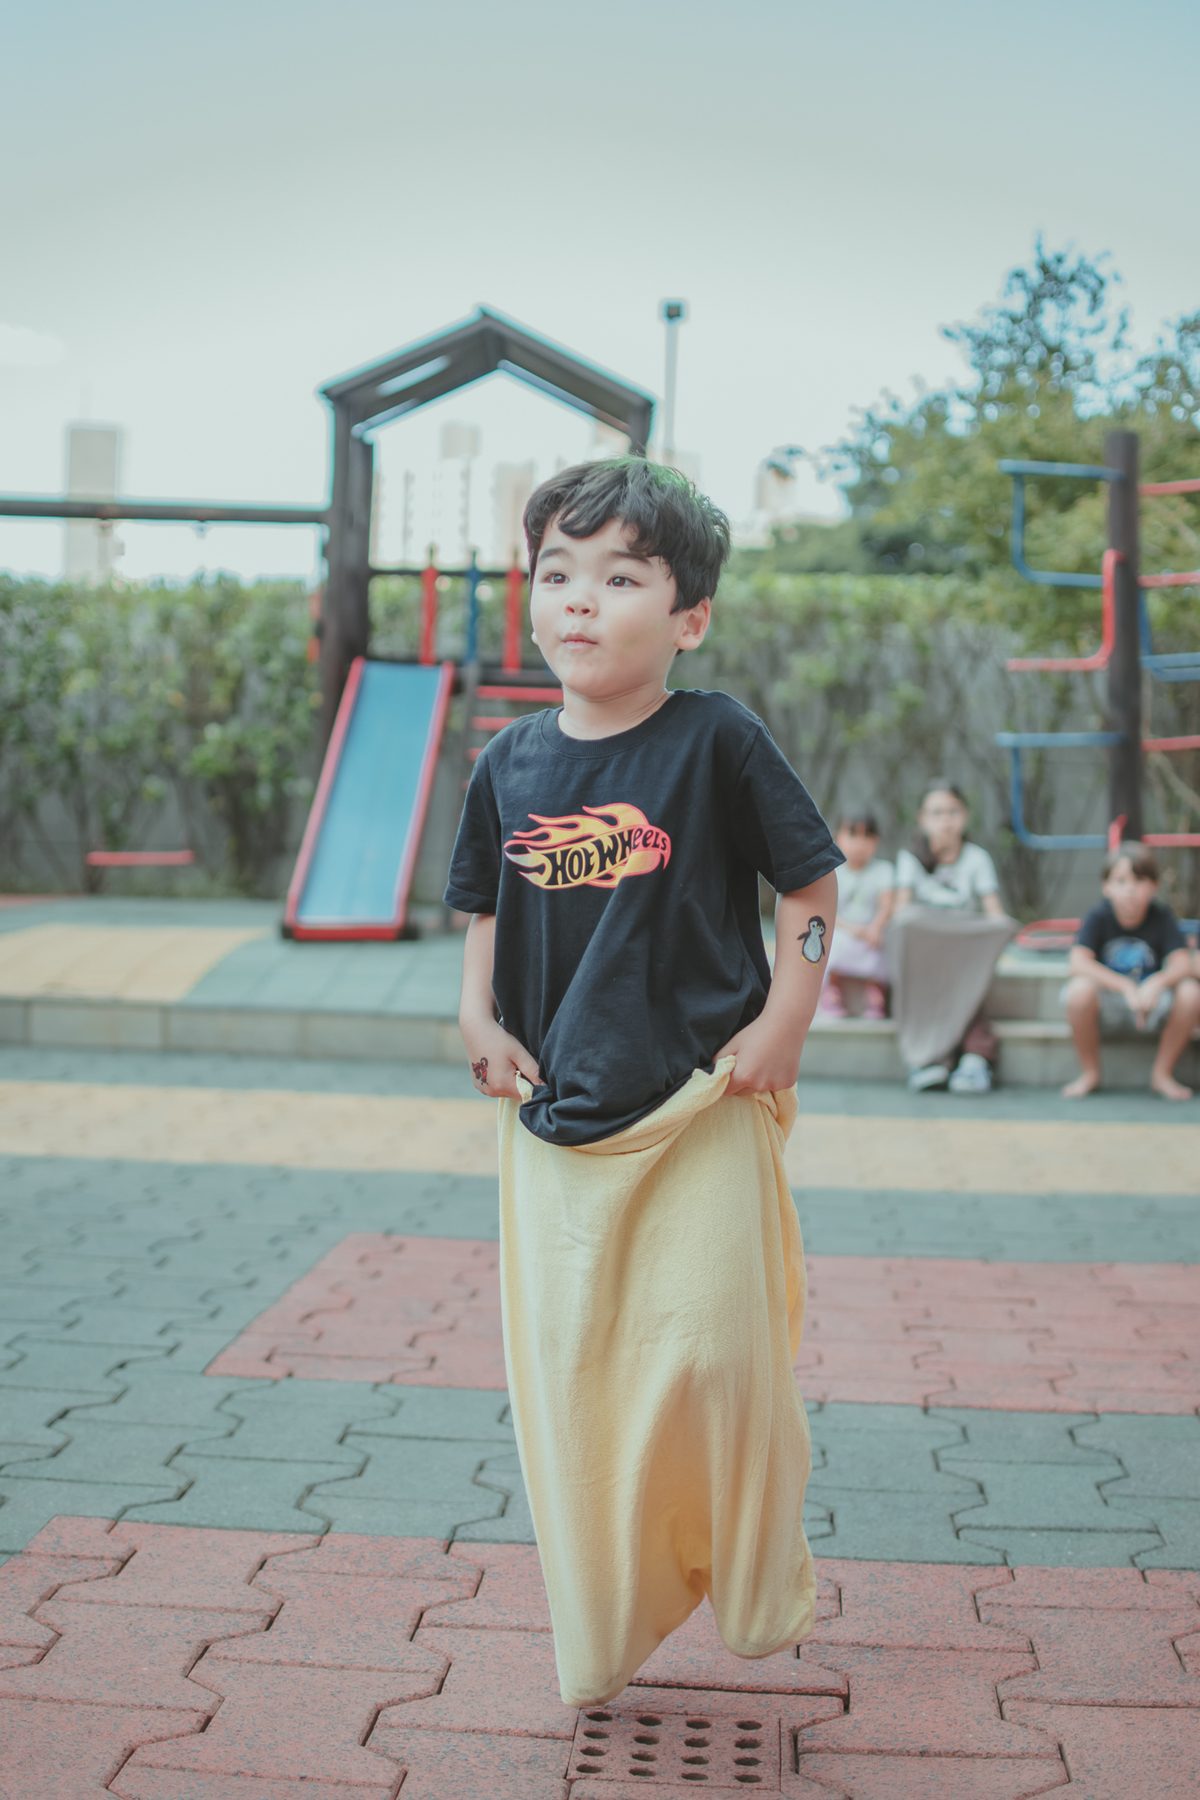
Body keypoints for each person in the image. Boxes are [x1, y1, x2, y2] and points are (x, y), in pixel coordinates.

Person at [445, 457, 843, 1708]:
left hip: (700, 1106)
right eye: (556, 572)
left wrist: (789, 1016)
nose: (579, 599)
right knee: (580, 1391)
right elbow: (480, 915)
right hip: (554, 1123)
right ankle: (610, 1621)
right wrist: (475, 1018)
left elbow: (814, 892)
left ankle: (747, 1563)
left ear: (688, 617)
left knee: (717, 1361)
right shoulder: (508, 761)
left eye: (620, 575)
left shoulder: (715, 737)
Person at [890, 780, 1015, 1093]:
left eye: (952, 811)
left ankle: (974, 1059)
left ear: (965, 816)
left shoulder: (977, 859)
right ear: (922, 818)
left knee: (966, 990)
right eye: (936, 812)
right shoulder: (910, 859)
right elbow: (902, 914)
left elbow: (994, 915)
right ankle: (930, 1060)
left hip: (964, 956)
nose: (945, 820)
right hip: (926, 957)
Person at [1061, 841, 1200, 1102]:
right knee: (1078, 990)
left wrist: (1157, 983)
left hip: (1154, 1003)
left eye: (1139, 880)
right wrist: (1124, 986)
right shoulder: (1097, 916)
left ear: (1154, 886)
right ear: (1107, 886)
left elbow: (1183, 963)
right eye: (1121, 881)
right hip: (1111, 1002)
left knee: (1191, 991)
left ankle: (1162, 1074)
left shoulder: (1162, 916)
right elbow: (1077, 962)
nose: (1130, 890)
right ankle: (1090, 1072)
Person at [818, 813, 894, 1020]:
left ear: (875, 841)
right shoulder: (831, 870)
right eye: (853, 835)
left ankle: (875, 991)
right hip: (842, 930)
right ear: (837, 837)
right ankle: (831, 990)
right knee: (829, 941)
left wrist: (875, 927)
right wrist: (851, 929)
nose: (860, 843)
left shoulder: (883, 870)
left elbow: (886, 905)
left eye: (867, 836)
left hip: (871, 932)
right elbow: (826, 910)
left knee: (885, 943)